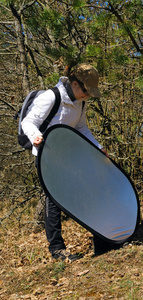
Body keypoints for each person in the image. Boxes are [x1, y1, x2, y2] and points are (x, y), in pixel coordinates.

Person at [22, 63, 118, 261]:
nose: (88, 95)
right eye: (85, 90)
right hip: (46, 155)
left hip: (69, 155)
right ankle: (57, 250)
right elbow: (28, 122)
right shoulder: (51, 97)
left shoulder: (80, 102)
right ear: (74, 84)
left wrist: (97, 148)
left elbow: (81, 127)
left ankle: (101, 241)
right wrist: (36, 137)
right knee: (54, 200)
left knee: (88, 192)